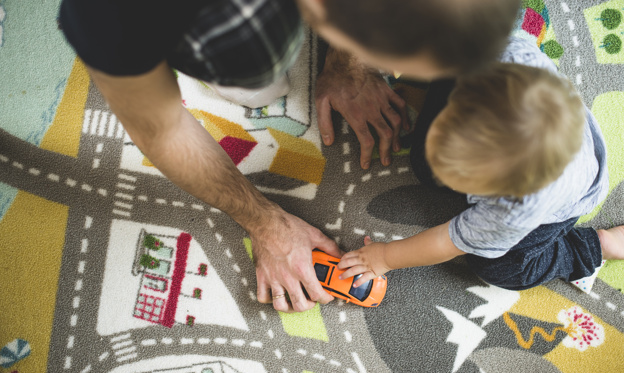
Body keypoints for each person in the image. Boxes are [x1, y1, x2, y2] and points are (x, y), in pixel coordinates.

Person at [58, 0, 521, 311]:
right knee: (258, 92)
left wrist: (349, 63)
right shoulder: (108, 20)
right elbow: (161, 130)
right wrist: (265, 223)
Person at [338, 37, 624, 291]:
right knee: (425, 160)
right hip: (541, 130)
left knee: (498, 268)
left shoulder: (514, 208)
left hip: (562, 203)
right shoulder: (502, 50)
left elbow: (445, 242)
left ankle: (594, 248)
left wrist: (383, 257)